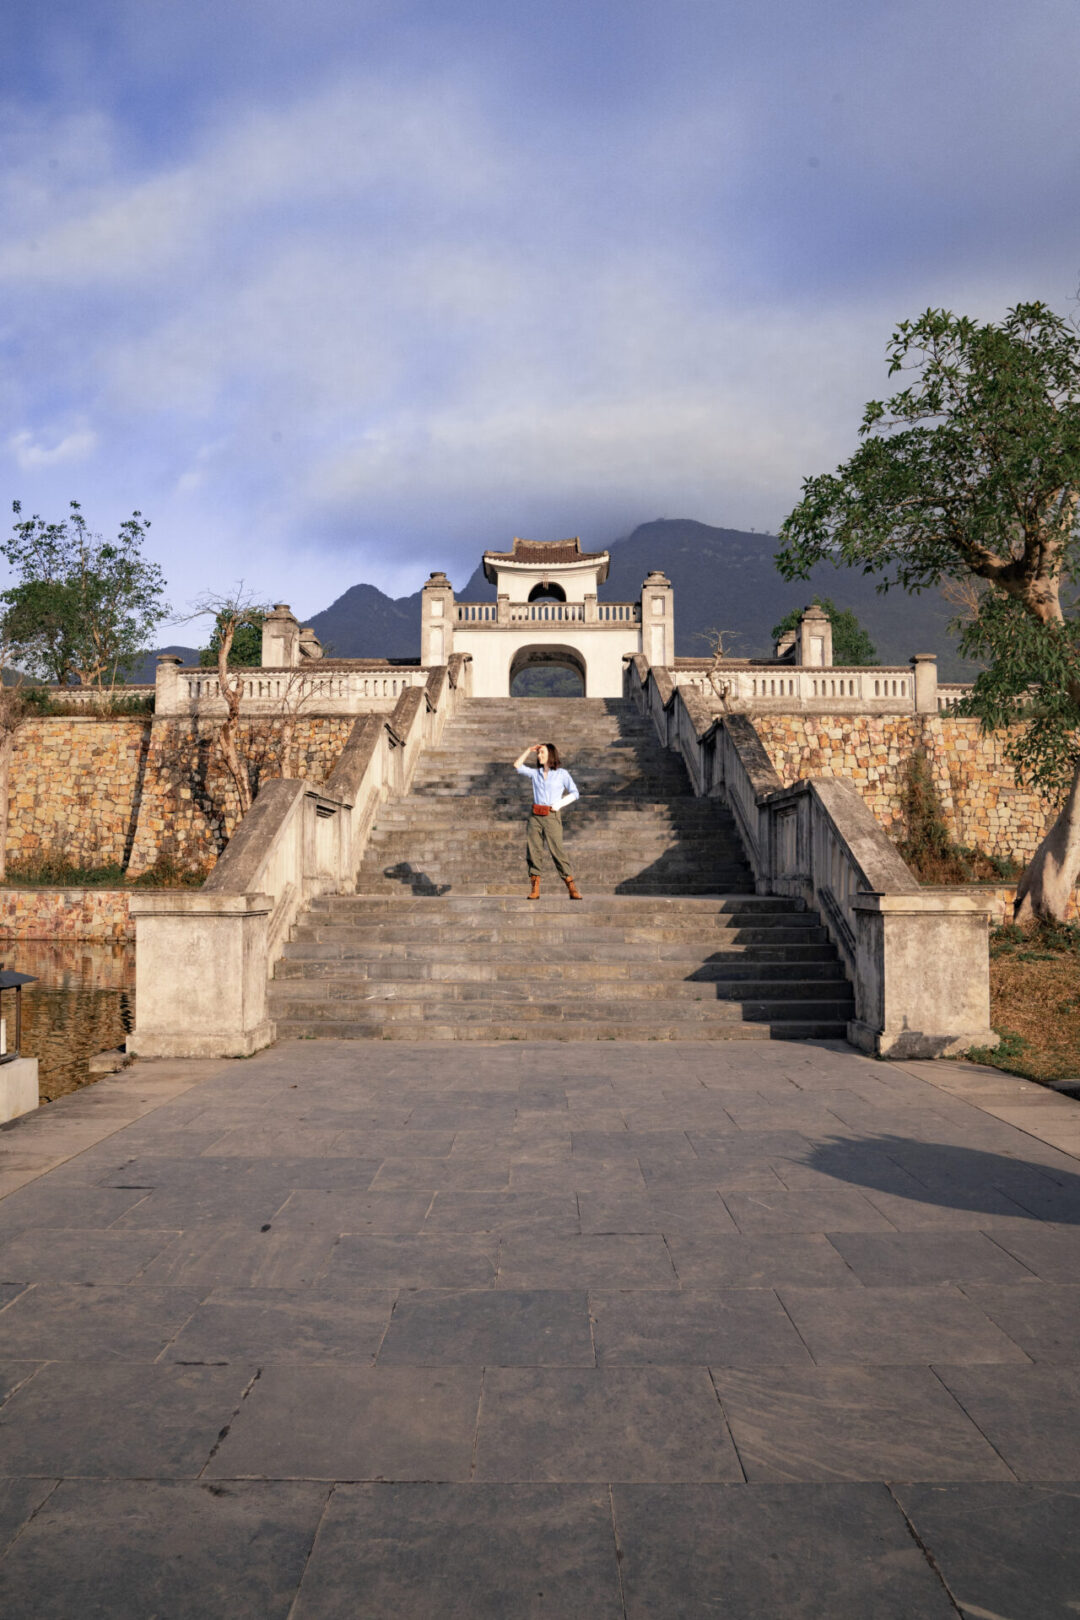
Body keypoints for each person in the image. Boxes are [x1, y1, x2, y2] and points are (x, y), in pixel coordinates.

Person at [513, 740, 582, 900]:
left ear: (551, 754)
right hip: (535, 816)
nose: (539, 755)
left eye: (542, 752)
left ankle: (571, 886)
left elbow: (575, 793)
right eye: (538, 753)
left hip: (552, 816)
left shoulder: (562, 774)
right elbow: (517, 765)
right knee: (533, 851)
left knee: (557, 851)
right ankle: (535, 888)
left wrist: (559, 804)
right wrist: (528, 750)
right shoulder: (535, 773)